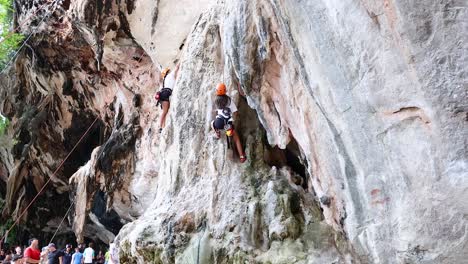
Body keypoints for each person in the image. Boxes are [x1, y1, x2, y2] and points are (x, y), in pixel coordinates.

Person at [211, 83, 246, 163]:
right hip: (228, 125)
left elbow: (214, 110)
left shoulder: (216, 100)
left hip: (219, 124)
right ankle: (242, 156)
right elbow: (235, 111)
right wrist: (233, 119)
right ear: (225, 91)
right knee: (236, 138)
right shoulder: (229, 100)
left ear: (217, 92)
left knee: (212, 123)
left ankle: (217, 133)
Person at [155, 64, 180, 133]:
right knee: (164, 112)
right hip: (166, 94)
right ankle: (160, 127)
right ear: (167, 73)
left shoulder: (165, 80)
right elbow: (176, 68)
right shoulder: (170, 75)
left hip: (163, 94)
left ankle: (162, 127)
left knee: (165, 112)